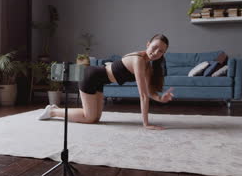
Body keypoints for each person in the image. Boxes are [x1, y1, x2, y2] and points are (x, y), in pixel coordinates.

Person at [38, 34, 174, 130]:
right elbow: (143, 95)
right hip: (91, 76)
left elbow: (149, 91)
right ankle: (53, 111)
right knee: (89, 118)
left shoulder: (148, 66)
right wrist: (146, 123)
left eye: (161, 51)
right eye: (154, 47)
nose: (156, 52)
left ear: (163, 54)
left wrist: (161, 98)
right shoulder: (138, 60)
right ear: (148, 44)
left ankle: (54, 110)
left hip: (99, 81)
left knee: (95, 119)